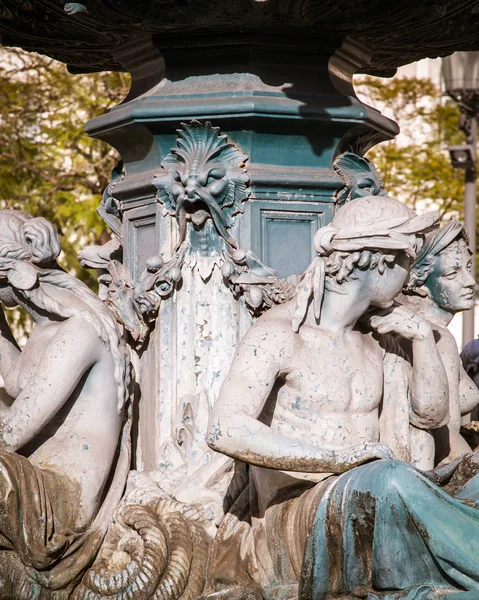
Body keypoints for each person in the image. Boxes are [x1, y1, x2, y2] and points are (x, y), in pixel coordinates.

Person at [204, 195, 470, 599]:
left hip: (370, 497)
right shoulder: (281, 333)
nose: (410, 276)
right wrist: (336, 460)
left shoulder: (381, 338)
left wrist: (420, 339)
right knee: (389, 479)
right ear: (380, 260)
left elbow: (432, 417)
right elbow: (224, 429)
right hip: (297, 514)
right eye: (408, 260)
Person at [0, 210, 131, 597]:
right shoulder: (44, 332)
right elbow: (10, 383)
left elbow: (11, 432)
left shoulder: (80, 330)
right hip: (28, 482)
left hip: (60, 501)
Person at [399, 219, 479, 468]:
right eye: (453, 274)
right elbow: (448, 443)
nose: (470, 282)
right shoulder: (435, 337)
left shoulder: (416, 326)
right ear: (419, 283)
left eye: (468, 267)